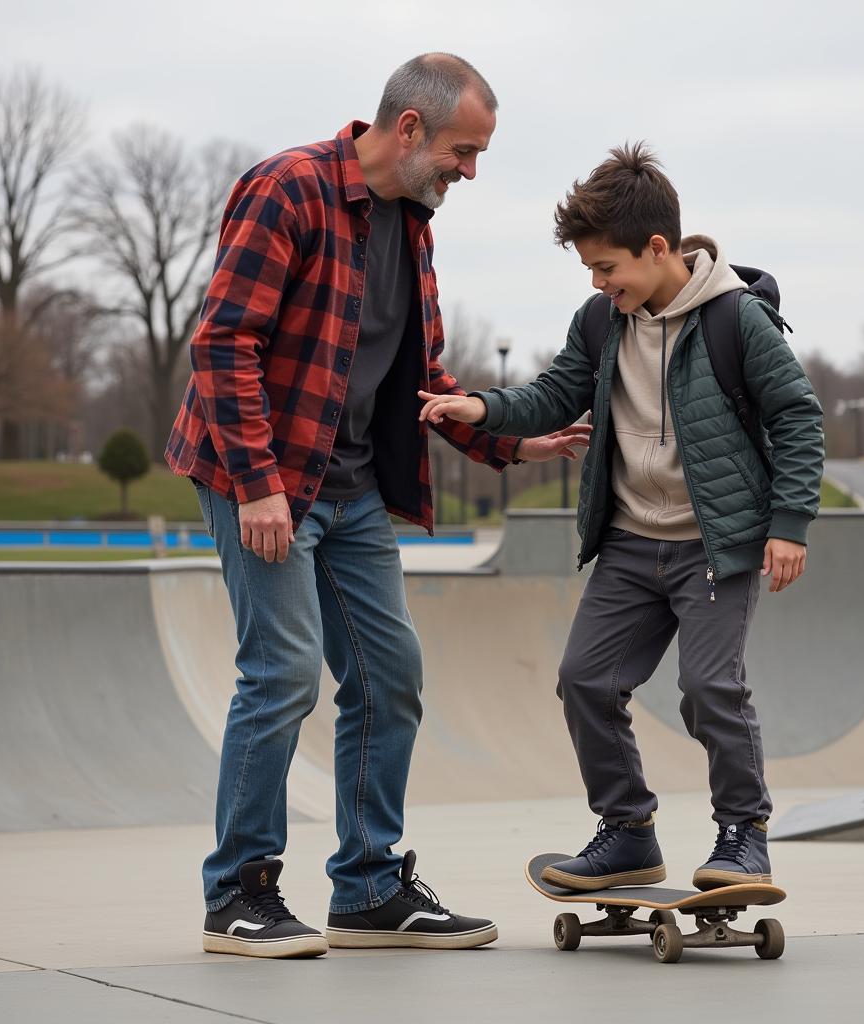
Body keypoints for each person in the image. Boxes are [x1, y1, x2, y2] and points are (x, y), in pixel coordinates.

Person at [165, 53, 589, 958]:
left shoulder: (412, 225)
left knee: (389, 675)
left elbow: (418, 377)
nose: (469, 173)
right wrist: (259, 485)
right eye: (463, 153)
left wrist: (514, 440)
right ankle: (238, 894)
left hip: (350, 491)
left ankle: (366, 888)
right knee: (281, 673)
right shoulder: (287, 191)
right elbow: (223, 343)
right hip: (263, 479)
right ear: (408, 130)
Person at [419, 144, 824, 892]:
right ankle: (628, 830)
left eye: (608, 268)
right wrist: (480, 409)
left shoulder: (739, 321)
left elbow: (799, 419)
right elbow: (551, 395)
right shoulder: (603, 323)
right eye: (591, 273)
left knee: (709, 688)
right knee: (585, 681)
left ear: (659, 248)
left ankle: (743, 834)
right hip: (632, 545)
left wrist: (789, 524)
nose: (601, 285)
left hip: (716, 548)